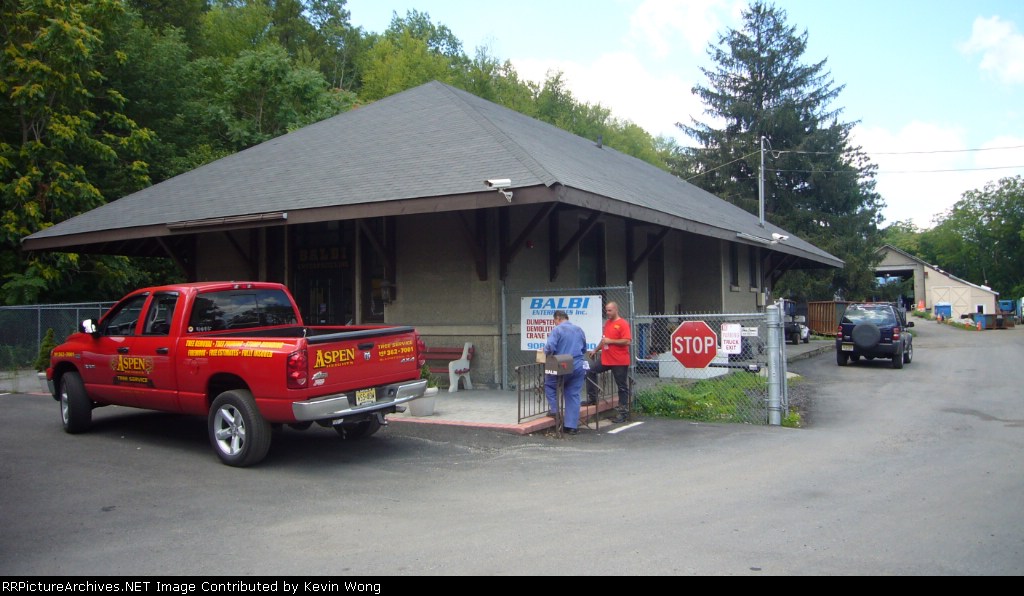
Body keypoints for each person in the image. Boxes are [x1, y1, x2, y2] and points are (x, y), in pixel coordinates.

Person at [543, 310, 588, 435]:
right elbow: (584, 348)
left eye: (554, 321)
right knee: (573, 394)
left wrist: (545, 351)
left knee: (550, 385)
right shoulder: (579, 329)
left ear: (557, 318)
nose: (555, 323)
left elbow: (550, 347)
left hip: (562, 364)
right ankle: (571, 426)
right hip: (578, 364)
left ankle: (555, 410)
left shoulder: (557, 330)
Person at [586, 301, 632, 423]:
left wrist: (611, 340)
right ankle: (593, 398)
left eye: (610, 310)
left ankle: (623, 412)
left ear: (616, 310)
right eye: (606, 310)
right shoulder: (607, 323)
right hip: (606, 358)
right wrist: (595, 350)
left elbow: (627, 341)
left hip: (619, 360)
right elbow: (604, 340)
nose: (607, 313)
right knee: (590, 371)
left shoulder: (622, 323)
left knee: (621, 386)